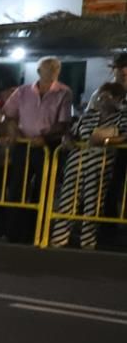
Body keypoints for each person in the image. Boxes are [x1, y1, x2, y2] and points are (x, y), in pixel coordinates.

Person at [0, 57, 75, 242]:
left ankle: (36, 232)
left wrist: (44, 138)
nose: (54, 70)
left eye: (56, 68)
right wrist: (13, 129)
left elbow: (64, 123)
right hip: (24, 145)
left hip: (48, 147)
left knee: (43, 190)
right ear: (39, 71)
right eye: (50, 68)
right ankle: (13, 231)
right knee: (17, 188)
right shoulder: (23, 91)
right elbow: (7, 115)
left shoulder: (64, 92)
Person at [47, 81, 126, 249]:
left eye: (108, 96)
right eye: (101, 96)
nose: (103, 99)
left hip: (100, 163)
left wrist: (106, 140)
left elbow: (124, 137)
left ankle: (88, 241)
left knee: (93, 201)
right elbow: (73, 132)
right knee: (68, 198)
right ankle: (59, 238)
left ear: (118, 99)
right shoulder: (89, 115)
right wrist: (67, 139)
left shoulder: (121, 117)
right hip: (78, 160)